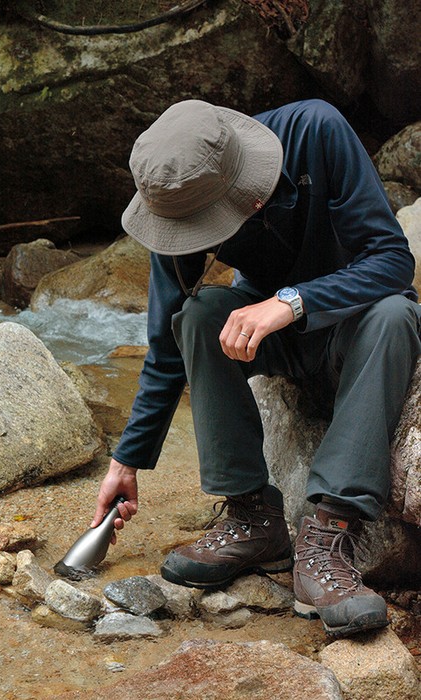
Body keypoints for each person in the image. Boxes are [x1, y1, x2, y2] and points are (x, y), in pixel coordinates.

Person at [91, 98, 420, 638]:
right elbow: (165, 340)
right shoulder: (175, 198)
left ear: (244, 188)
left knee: (395, 313)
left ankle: (328, 537)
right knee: (196, 316)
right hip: (275, 338)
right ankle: (253, 518)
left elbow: (391, 261)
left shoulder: (317, 131)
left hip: (357, 332)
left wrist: (292, 300)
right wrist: (126, 460)